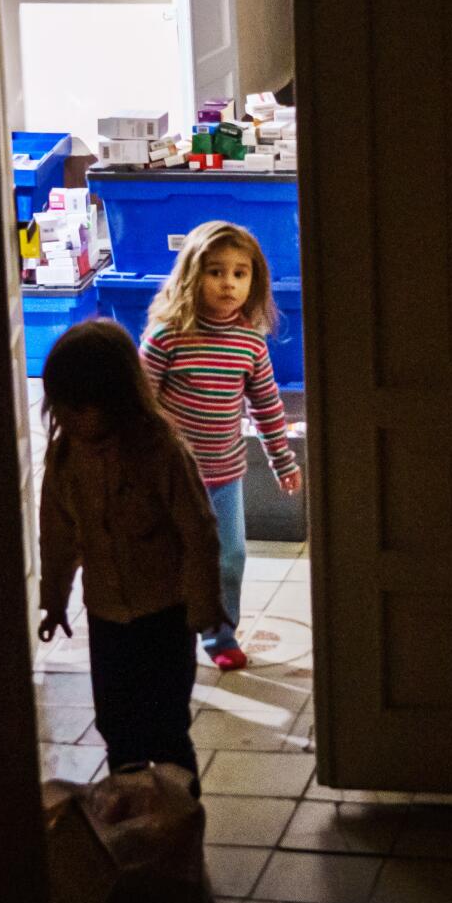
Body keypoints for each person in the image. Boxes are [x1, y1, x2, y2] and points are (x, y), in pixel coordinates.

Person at [38, 318, 225, 789]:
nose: (78, 421)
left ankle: (179, 815)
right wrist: (54, 598)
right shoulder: (64, 459)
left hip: (165, 611)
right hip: (105, 615)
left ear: (120, 399)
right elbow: (57, 536)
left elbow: (198, 531)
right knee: (118, 726)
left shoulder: (159, 449)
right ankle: (132, 810)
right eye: (68, 409)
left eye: (88, 408)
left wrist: (203, 602)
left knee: (165, 726)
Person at [140, 221, 301, 671]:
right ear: (193, 277)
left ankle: (220, 634)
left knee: (229, 557)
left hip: (224, 476)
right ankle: (168, 637)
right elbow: (139, 400)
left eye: (240, 273)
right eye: (216, 272)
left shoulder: (250, 341)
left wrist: (282, 459)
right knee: (170, 559)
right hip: (169, 477)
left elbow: (266, 405)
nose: (229, 283)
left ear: (255, 281)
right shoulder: (168, 335)